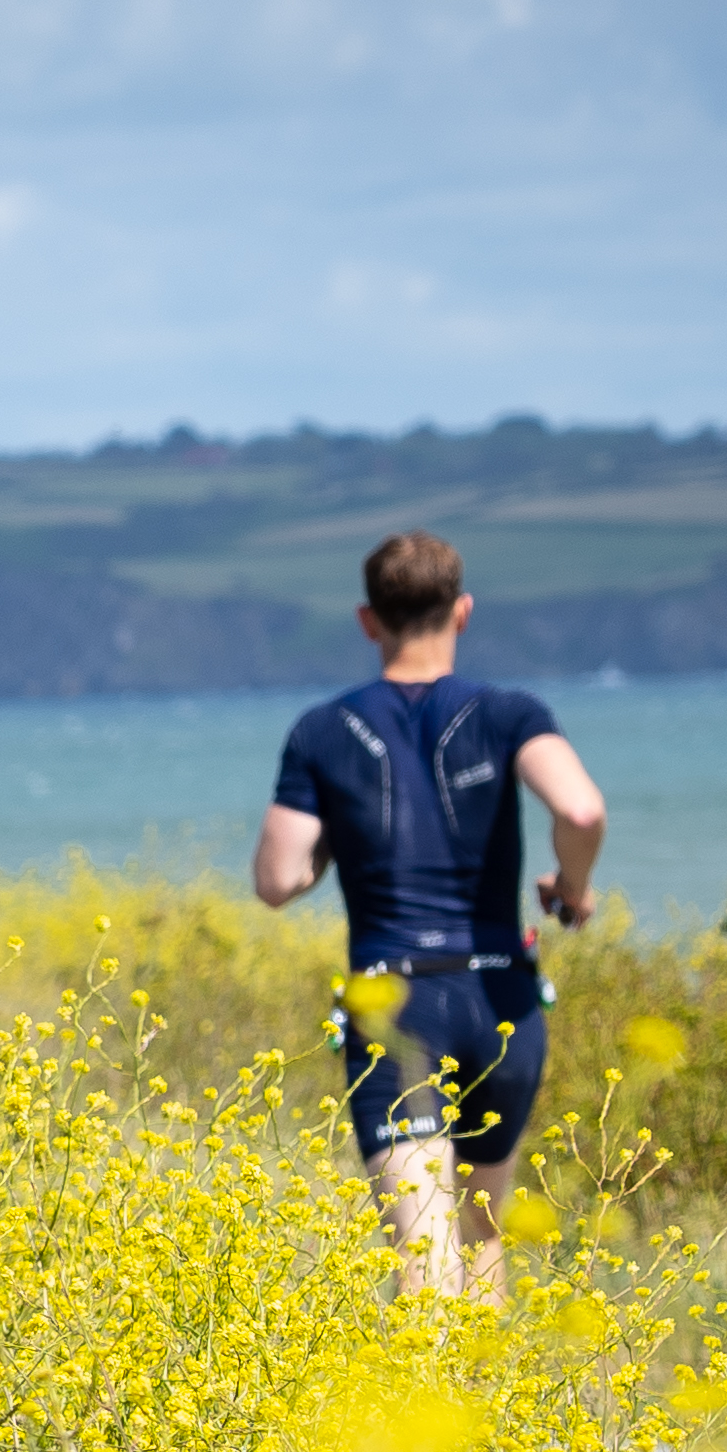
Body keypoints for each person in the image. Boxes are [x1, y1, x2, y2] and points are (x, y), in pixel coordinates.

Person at [255, 532, 606, 1304]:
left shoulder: (321, 731)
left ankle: (440, 1421)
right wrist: (572, 889)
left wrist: (327, 854)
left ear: (366, 620)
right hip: (503, 1005)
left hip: (398, 1009)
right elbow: (580, 807)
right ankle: (492, 1420)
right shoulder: (511, 711)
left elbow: (278, 879)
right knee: (481, 1241)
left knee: (425, 1264)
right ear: (463, 611)